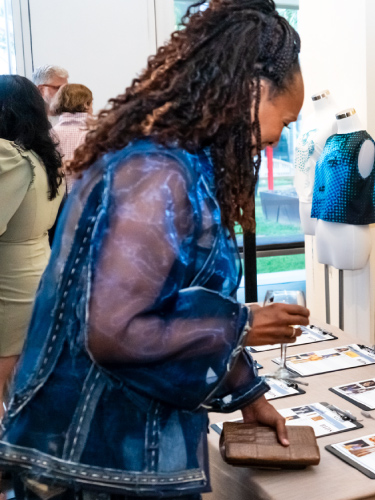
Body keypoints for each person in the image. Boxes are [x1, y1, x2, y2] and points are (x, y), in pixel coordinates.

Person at [0, 2, 308, 499]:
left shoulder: (181, 167)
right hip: (98, 454)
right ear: (251, 91)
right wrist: (242, 324)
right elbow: (115, 332)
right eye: (284, 119)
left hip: (129, 439)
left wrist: (249, 394)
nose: (278, 137)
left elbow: (177, 298)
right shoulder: (155, 173)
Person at [0, 75, 65, 413]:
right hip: (39, 269)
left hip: (8, 282)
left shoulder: (8, 155)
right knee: (20, 385)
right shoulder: (42, 157)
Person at [51, 83, 93, 192]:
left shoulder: (51, 133)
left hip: (58, 197)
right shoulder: (95, 132)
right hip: (86, 195)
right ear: (86, 104)